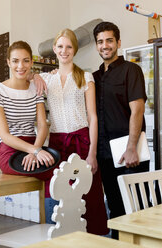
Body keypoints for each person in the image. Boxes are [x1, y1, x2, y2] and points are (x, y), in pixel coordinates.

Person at [34, 29, 108, 235]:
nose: (64, 51)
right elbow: (19, 75)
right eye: (60, 46)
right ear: (54, 50)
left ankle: (94, 239)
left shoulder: (85, 77)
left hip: (82, 140)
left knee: (89, 194)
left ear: (74, 49)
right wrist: (33, 75)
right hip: (57, 145)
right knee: (59, 193)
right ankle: (61, 238)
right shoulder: (45, 79)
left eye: (68, 46)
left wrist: (92, 153)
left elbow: (93, 117)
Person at [92, 21, 149, 239]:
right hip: (106, 154)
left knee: (137, 208)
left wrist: (132, 147)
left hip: (129, 152)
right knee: (115, 209)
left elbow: (137, 111)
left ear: (118, 43)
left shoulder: (131, 70)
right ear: (96, 45)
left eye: (109, 40)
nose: (104, 45)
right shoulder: (94, 78)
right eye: (100, 41)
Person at [0, 41, 56, 207]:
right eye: (15, 61)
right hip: (10, 151)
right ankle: (52, 223)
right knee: (50, 172)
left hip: (34, 145)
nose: (21, 66)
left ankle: (55, 221)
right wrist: (35, 151)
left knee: (59, 167)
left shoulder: (35, 88)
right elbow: (5, 135)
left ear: (32, 62)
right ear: (9, 62)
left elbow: (42, 125)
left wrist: (35, 150)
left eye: (25, 60)